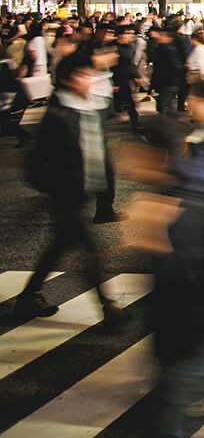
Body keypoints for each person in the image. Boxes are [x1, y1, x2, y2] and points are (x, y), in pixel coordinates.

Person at [14, 52, 126, 328]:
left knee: (59, 245)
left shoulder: (88, 106)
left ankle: (28, 295)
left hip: (82, 190)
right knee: (90, 249)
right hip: (65, 194)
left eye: (90, 75)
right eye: (82, 76)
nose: (89, 80)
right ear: (66, 80)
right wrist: (63, 181)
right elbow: (38, 161)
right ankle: (108, 307)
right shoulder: (58, 114)